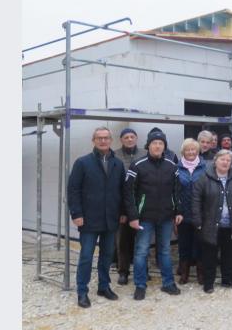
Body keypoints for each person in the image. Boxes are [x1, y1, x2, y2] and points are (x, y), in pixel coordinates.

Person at [68, 127, 125, 308]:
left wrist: (123, 212)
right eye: (99, 138)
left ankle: (104, 286)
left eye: (106, 138)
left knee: (107, 255)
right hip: (89, 219)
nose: (103, 141)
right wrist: (76, 214)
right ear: (93, 140)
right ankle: (82, 291)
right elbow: (73, 190)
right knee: (86, 256)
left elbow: (123, 191)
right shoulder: (82, 163)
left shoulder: (118, 164)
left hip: (111, 218)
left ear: (111, 140)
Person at [124, 129, 183, 300]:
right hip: (144, 218)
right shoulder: (137, 165)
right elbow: (128, 193)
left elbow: (177, 190)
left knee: (164, 251)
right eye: (154, 143)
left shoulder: (172, 165)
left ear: (164, 146)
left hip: (166, 217)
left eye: (160, 143)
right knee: (142, 251)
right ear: (148, 145)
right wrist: (133, 216)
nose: (157, 146)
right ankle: (140, 285)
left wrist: (178, 211)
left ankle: (168, 283)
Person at [191, 149, 232, 293]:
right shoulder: (204, 178)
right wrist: (197, 220)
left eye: (228, 160)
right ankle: (208, 283)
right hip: (210, 224)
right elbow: (196, 200)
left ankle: (227, 279)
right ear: (215, 161)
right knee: (209, 256)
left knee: (229, 255)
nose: (225, 162)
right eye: (222, 159)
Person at [114, 128, 145, 286]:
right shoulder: (114, 155)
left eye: (132, 136)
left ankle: (142, 270)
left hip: (142, 205)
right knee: (123, 241)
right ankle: (123, 272)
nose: (129, 139)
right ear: (121, 140)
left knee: (142, 241)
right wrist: (121, 210)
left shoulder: (145, 154)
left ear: (136, 138)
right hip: (122, 205)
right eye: (126, 137)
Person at [176, 138, 206, 285]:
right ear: (183, 152)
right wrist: (177, 211)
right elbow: (174, 191)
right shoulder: (176, 168)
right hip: (183, 214)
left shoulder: (205, 167)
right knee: (184, 244)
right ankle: (184, 273)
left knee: (200, 244)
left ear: (197, 151)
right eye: (187, 150)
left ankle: (201, 273)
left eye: (193, 149)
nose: (190, 152)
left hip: (201, 213)